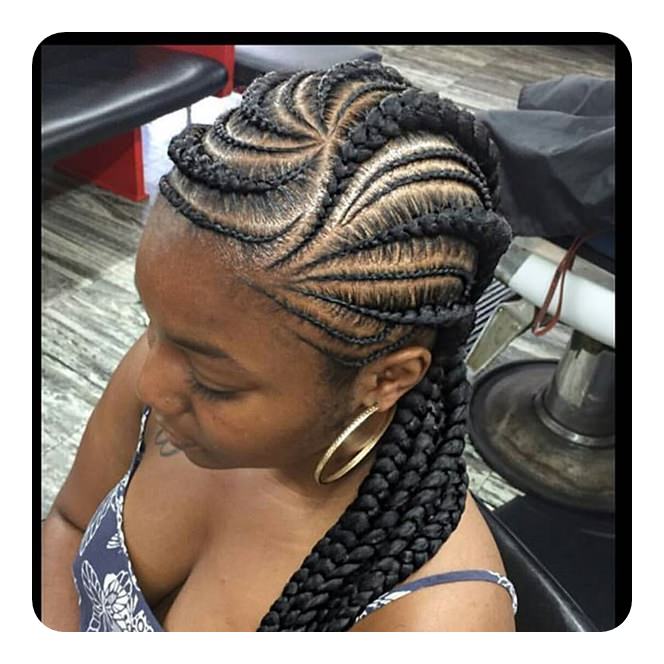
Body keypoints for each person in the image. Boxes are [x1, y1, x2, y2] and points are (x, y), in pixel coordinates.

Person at [41, 59, 517, 632]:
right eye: (152, 325)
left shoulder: (437, 621)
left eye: (214, 385)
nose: (149, 384)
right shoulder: (179, 360)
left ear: (386, 379)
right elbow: (68, 524)